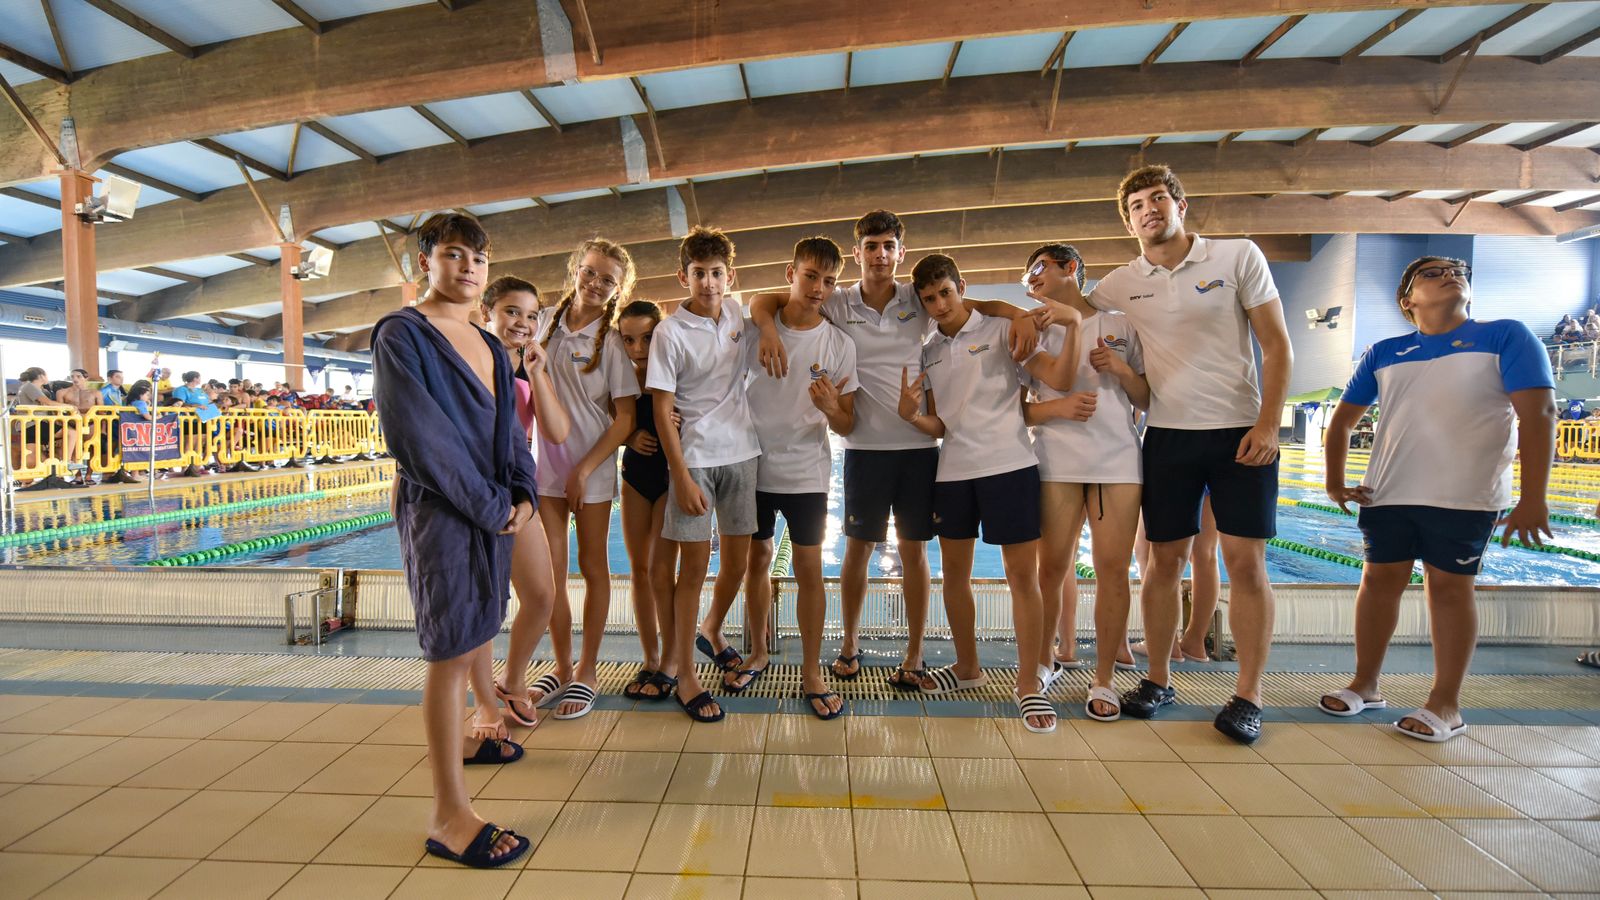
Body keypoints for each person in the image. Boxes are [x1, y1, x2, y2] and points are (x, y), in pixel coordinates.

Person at [1035, 164, 1293, 744]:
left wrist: (1270, 424)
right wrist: (1023, 309)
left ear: (1180, 203)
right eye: (1136, 206)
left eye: (1157, 199)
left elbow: (1276, 344)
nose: (1148, 210)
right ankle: (1157, 677)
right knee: (1162, 563)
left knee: (1246, 564)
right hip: (1169, 435)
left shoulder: (1237, 257)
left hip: (1239, 432)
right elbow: (1076, 304)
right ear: (1128, 222)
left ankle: (1248, 694)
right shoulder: (1122, 284)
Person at [750, 209, 1038, 692]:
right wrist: (768, 329)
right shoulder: (837, 302)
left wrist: (1020, 311)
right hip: (863, 446)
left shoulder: (918, 299)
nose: (880, 255)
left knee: (914, 553)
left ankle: (915, 651)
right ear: (858, 252)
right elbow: (767, 300)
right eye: (871, 246)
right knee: (856, 550)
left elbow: (971, 303)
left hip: (919, 446)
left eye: (888, 246)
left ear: (900, 253)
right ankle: (849, 643)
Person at [1321, 256, 1556, 742]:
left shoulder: (1506, 336)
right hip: (1388, 490)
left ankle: (1445, 703)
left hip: (1465, 494)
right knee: (1378, 582)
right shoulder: (1384, 351)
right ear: (1408, 301)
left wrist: (1535, 497)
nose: (1450, 274)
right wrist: (1334, 482)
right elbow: (1342, 421)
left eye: (1456, 269)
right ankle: (1366, 684)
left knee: (1449, 590)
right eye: (1432, 273)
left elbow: (1539, 414)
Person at [371, 212, 536, 868]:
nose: (470, 268)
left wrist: (521, 492)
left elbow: (509, 433)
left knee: (476, 632)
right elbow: (419, 439)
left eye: (480, 259)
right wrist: (494, 506)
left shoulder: (487, 342)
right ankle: (448, 815)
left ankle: (472, 742)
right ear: (425, 264)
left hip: (491, 512)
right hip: (445, 513)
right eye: (455, 255)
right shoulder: (403, 335)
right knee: (448, 652)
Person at [900, 254, 1080, 733]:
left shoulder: (1002, 329)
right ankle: (967, 668)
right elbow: (939, 424)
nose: (939, 305)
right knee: (954, 577)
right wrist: (910, 416)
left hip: (1010, 467)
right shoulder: (928, 350)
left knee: (1024, 577)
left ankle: (1027, 683)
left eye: (945, 293)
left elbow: (1056, 378)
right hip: (954, 472)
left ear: (962, 286)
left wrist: (1054, 320)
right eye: (929, 299)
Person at [1018, 243, 1149, 722]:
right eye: (1027, 274)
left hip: (1117, 461)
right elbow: (1016, 408)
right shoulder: (1031, 329)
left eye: (1039, 269)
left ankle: (1104, 678)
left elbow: (1147, 397)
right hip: (1056, 459)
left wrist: (1121, 369)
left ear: (1070, 268)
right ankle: (1044, 662)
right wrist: (1056, 407)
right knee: (1049, 569)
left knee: (1113, 569)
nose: (1031, 279)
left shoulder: (1121, 325)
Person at [648, 226, 763, 723]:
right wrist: (682, 476)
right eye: (699, 274)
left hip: (743, 453)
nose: (710, 283)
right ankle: (687, 676)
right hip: (694, 460)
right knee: (692, 570)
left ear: (730, 276)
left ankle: (711, 629)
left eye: (717, 274)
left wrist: (774, 329)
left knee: (736, 563)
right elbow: (662, 407)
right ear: (683, 276)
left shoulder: (739, 314)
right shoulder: (669, 333)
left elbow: (776, 302)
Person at [743, 237, 858, 718]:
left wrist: (831, 408)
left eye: (829, 281)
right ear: (791, 273)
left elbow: (848, 423)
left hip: (808, 472)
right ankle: (757, 651)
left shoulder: (839, 343)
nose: (818, 288)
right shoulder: (754, 332)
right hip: (752, 463)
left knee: (810, 570)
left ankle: (811, 671)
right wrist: (767, 325)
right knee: (757, 560)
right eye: (811, 276)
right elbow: (755, 304)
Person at [530, 239, 641, 720]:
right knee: (551, 575)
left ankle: (589, 669)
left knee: (594, 567)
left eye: (607, 280)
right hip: (542, 467)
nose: (595, 285)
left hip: (591, 469)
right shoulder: (542, 322)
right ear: (576, 268)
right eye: (590, 273)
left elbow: (623, 419)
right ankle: (559, 665)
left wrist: (585, 468)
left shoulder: (612, 341)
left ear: (619, 289)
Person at [479, 276, 570, 732]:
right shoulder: (471, 359)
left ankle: (511, 683)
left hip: (519, 493)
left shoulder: (529, 365)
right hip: (477, 493)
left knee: (542, 595)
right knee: (483, 606)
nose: (523, 322)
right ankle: (483, 705)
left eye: (532, 315)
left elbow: (556, 432)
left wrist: (536, 371)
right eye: (512, 311)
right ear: (487, 313)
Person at [616, 299, 682, 702]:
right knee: (639, 570)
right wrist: (626, 437)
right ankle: (650, 658)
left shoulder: (673, 367)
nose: (638, 348)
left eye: (647, 338)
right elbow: (606, 416)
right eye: (629, 340)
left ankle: (672, 661)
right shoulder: (620, 374)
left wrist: (678, 420)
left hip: (669, 476)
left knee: (661, 571)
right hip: (636, 478)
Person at [13, 367, 84, 489]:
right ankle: (66, 462)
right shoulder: (30, 387)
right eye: (46, 375)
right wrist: (70, 407)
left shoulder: (37, 388)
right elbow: (48, 403)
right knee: (71, 433)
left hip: (30, 425)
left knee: (31, 460)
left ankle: (26, 480)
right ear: (41, 376)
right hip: (35, 424)